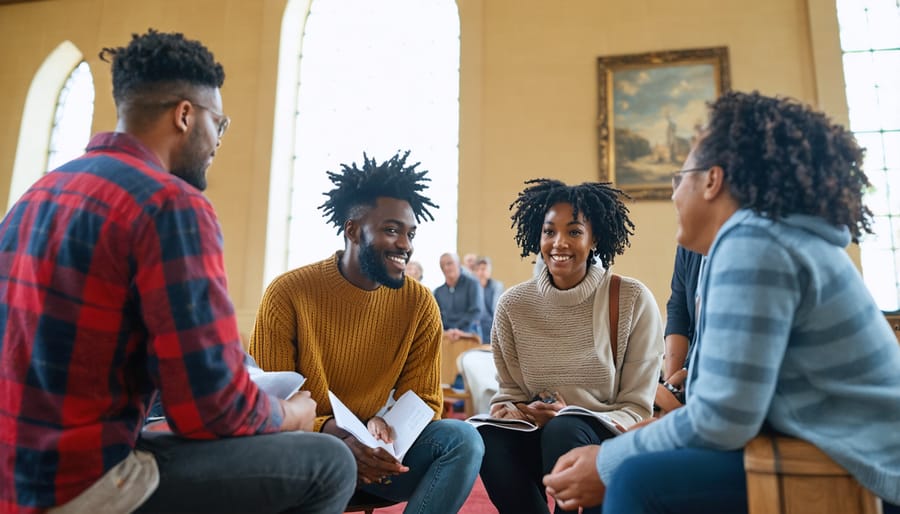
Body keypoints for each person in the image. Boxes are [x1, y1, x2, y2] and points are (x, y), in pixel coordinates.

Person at [0, 30, 356, 514]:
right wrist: (292, 414)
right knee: (328, 463)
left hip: (12, 473)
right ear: (186, 115)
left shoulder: (39, 193)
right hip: (80, 481)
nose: (217, 142)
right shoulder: (171, 204)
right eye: (220, 123)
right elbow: (210, 411)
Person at [543, 91, 900, 514]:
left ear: (712, 180)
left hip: (865, 473)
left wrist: (609, 462)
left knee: (637, 481)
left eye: (681, 178)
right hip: (831, 452)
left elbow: (721, 422)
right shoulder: (764, 239)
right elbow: (731, 406)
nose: (674, 195)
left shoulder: (754, 242)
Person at [248, 151, 484, 513]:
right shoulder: (288, 293)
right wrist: (335, 435)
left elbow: (425, 402)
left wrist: (384, 426)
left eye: (410, 233)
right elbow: (269, 410)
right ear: (353, 230)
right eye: (392, 230)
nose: (405, 244)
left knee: (463, 439)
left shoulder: (419, 304)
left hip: (379, 458)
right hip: (307, 457)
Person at [478, 179, 664, 514]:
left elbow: (638, 407)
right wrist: (518, 411)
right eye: (549, 232)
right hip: (539, 436)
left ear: (594, 240)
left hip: (605, 443)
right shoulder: (512, 306)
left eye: (574, 232)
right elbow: (508, 393)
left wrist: (568, 414)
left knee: (565, 429)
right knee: (488, 439)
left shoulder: (632, 299)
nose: (558, 243)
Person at [654, 245, 704, 415]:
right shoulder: (690, 247)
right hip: (687, 384)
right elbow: (678, 311)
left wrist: (672, 406)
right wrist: (670, 388)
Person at [434, 252, 485, 341]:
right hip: (446, 338)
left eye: (449, 263)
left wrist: (459, 330)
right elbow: (438, 317)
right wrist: (448, 331)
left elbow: (476, 311)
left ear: (458, 263)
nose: (446, 268)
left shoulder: (473, 284)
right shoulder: (438, 292)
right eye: (442, 266)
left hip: (469, 336)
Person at [474, 256, 504, 342]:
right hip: (476, 326)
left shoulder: (496, 286)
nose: (481, 272)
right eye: (478, 269)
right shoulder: (472, 287)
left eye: (484, 269)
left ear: (489, 271)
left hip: (491, 324)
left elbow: (496, 309)